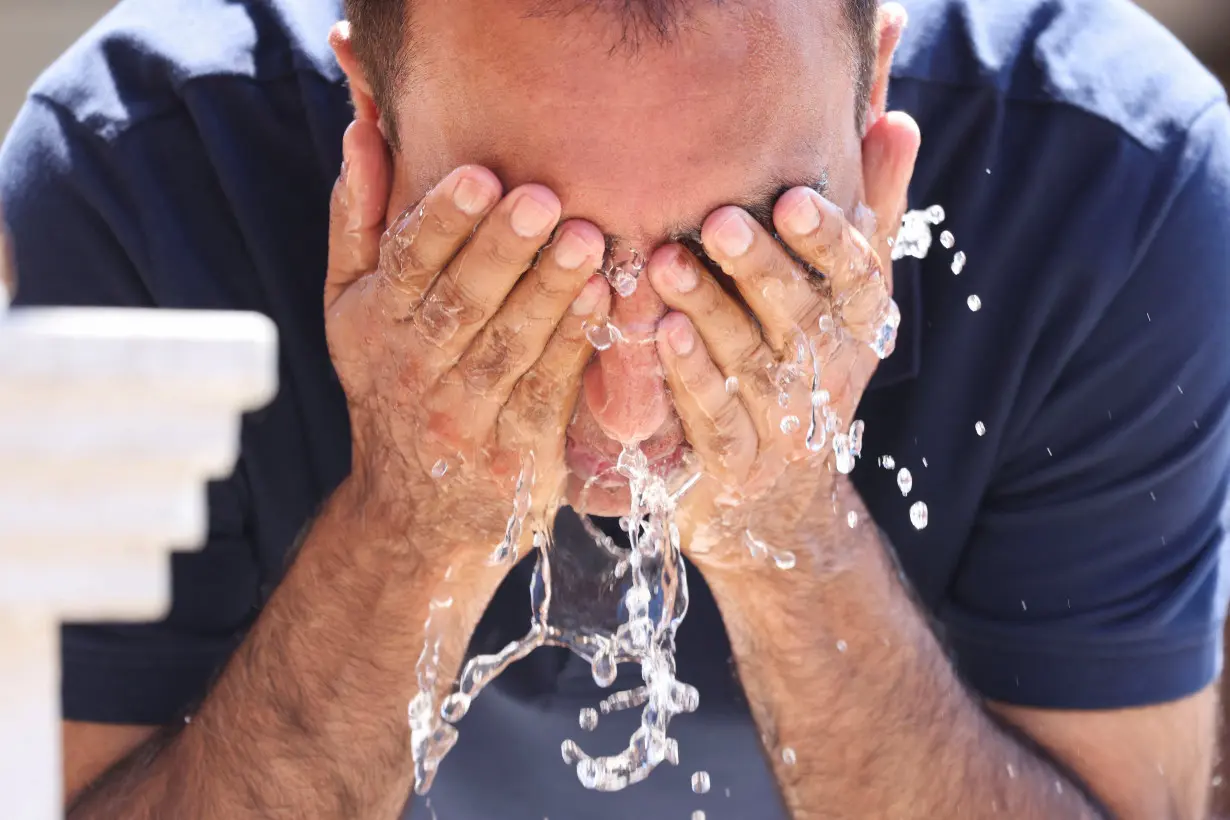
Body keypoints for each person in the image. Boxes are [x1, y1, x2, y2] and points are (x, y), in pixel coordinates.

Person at [1, 0, 1227, 816]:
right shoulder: (134, 176)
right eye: (530, 267)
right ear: (367, 115)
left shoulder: (1124, 196)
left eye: (736, 262)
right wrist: (408, 521)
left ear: (873, 106)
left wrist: (789, 524)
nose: (635, 406)